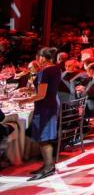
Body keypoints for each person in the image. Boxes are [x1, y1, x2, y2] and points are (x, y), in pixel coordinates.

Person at [18, 47, 61, 180]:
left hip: (44, 107)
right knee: (45, 137)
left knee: (43, 138)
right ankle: (47, 165)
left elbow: (41, 95)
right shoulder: (56, 69)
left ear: (42, 57)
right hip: (52, 104)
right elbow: (47, 91)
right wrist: (31, 92)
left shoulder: (44, 72)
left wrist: (25, 100)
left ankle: (48, 167)